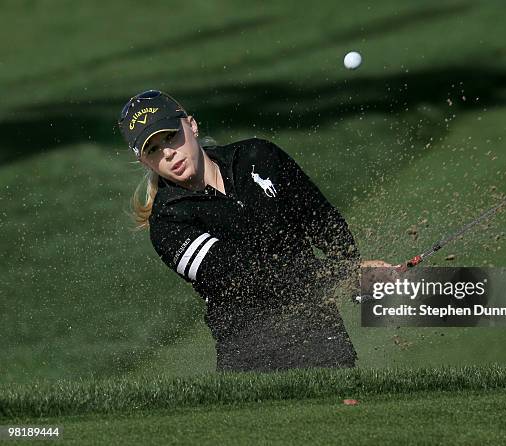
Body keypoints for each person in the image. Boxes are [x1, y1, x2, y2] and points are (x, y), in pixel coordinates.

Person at [118, 90, 393, 372]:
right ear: (145, 162)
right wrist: (345, 275)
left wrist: (357, 270)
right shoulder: (168, 223)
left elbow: (324, 223)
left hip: (327, 341)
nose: (168, 152)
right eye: (153, 149)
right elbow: (247, 275)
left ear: (192, 125)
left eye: (171, 136)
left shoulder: (258, 156)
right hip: (253, 363)